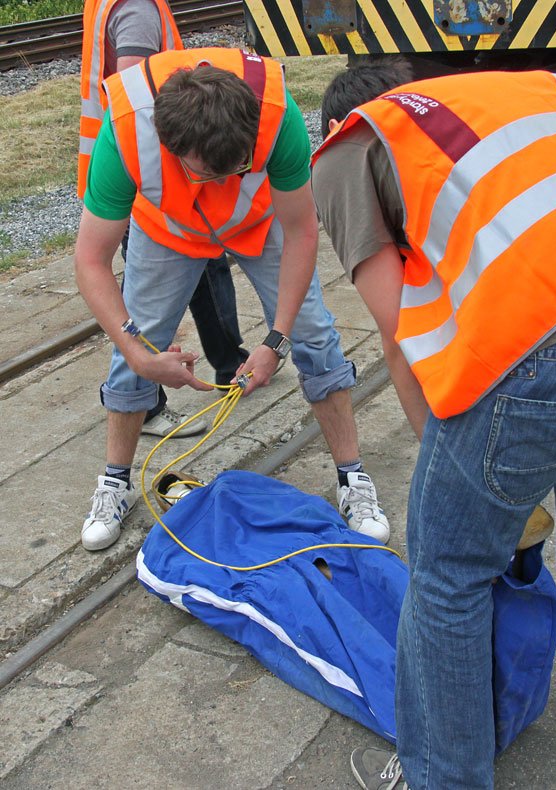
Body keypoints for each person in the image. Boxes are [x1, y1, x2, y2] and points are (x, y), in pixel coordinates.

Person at [312, 60, 556, 789]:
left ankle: (446, 776)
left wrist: (454, 466)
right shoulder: (520, 91)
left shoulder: (351, 147)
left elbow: (403, 338)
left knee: (448, 571)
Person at [75, 47, 389, 552]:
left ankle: (352, 477)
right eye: (207, 173)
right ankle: (116, 481)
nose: (223, 183)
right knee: (135, 347)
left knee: (314, 333)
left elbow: (303, 231)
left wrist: (277, 340)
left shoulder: (275, 115)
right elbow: (91, 259)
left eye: (236, 167)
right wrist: (137, 350)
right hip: (168, 228)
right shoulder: (125, 130)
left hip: (261, 221)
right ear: (172, 147)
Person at [78, 0, 249, 440]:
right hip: (154, 179)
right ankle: (152, 402)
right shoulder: (138, 8)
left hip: (144, 169)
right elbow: (142, 97)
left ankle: (227, 364)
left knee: (193, 280)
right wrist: (175, 170)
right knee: (165, 295)